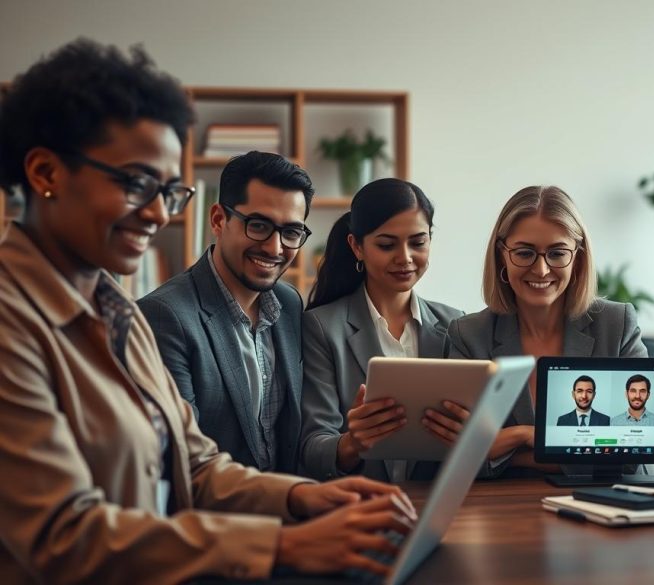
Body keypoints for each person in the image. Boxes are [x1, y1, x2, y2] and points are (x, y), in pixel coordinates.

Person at [0, 39, 414, 584]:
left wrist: (304, 496)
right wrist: (282, 544)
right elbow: (63, 536)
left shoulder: (114, 310)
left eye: (168, 191)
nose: (156, 213)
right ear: (45, 173)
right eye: (135, 183)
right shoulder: (16, 323)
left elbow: (195, 462)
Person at [441, 185, 647, 477]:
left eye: (557, 253)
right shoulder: (469, 335)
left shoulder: (616, 323)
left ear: (577, 257)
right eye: (524, 253)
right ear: (502, 255)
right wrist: (578, 449)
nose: (541, 269)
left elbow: (630, 452)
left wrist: (521, 436)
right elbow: (461, 455)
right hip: (506, 512)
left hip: (602, 506)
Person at [139, 151, 312, 474]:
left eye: (291, 232)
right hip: (213, 517)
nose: (275, 248)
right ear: (218, 219)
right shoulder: (164, 316)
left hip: (291, 513)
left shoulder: (290, 304)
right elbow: (181, 459)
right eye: (258, 225)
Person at [300, 178, 463, 482]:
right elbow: (312, 447)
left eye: (418, 242)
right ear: (356, 247)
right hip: (356, 509)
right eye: (386, 245)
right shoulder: (322, 328)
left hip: (436, 506)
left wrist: (469, 434)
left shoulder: (457, 326)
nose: (405, 257)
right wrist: (351, 444)